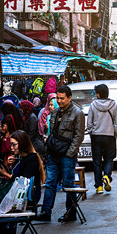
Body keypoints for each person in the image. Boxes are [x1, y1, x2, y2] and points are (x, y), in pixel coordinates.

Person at [0, 131, 45, 234]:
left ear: (22, 144)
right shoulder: (20, 158)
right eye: (11, 144)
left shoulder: (32, 158)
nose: (11, 147)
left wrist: (5, 173)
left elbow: (24, 181)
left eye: (14, 144)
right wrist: (7, 166)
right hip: (16, 194)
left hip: (25, 197)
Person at [37, 85, 85, 223]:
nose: (59, 100)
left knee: (68, 184)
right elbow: (52, 132)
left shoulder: (78, 113)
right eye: (58, 98)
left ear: (69, 98)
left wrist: (70, 153)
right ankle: (46, 212)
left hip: (67, 156)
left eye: (62, 98)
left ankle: (70, 213)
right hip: (53, 154)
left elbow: (78, 136)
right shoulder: (56, 112)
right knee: (50, 183)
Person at [86, 83, 117, 194]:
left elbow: (89, 122)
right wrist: (115, 133)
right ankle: (106, 175)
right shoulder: (113, 104)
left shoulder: (93, 105)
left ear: (99, 94)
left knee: (96, 161)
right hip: (109, 136)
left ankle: (99, 186)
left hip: (96, 136)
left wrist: (91, 132)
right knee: (109, 158)